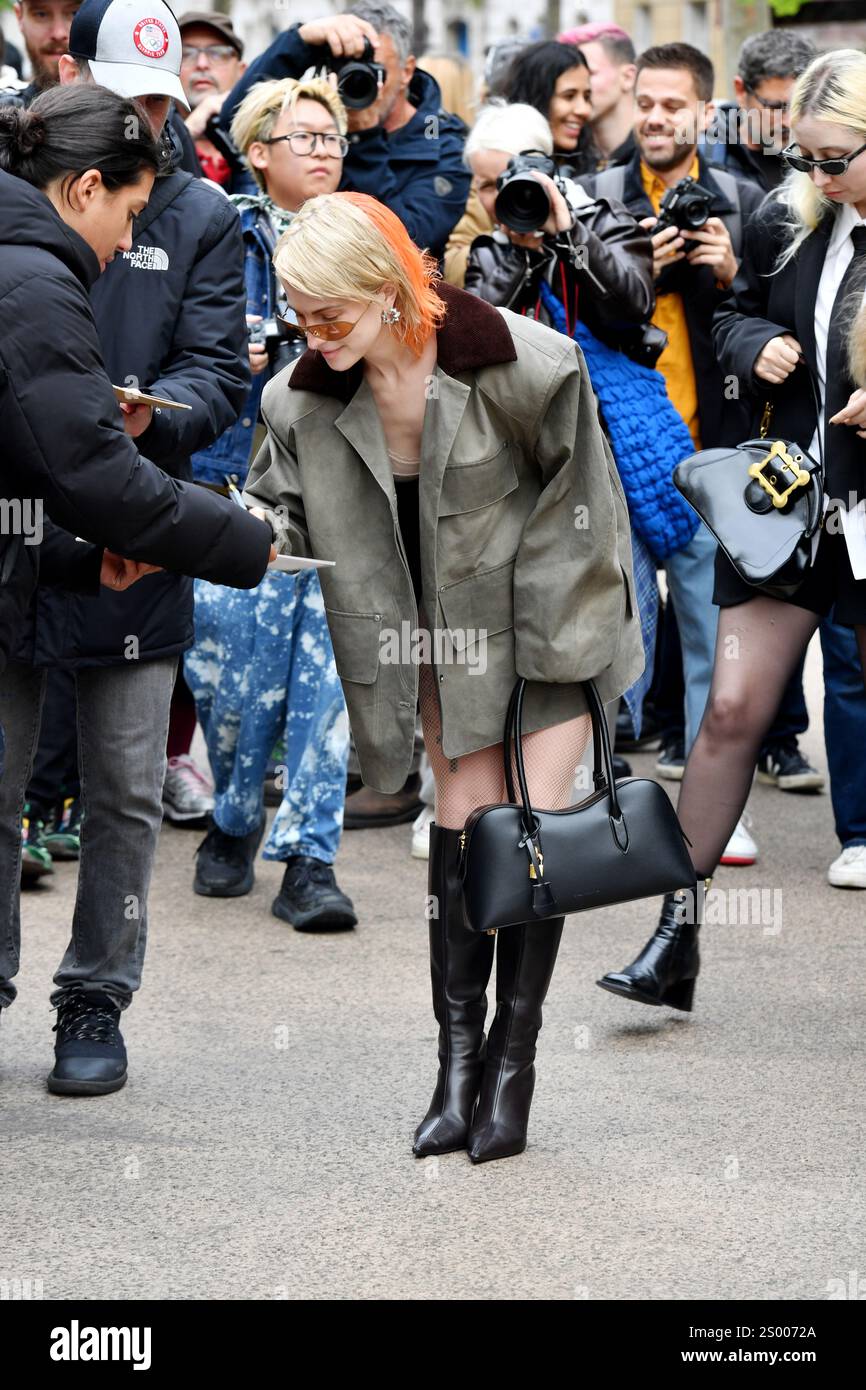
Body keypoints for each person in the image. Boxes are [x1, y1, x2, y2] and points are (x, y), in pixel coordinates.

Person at [243, 191, 644, 1163]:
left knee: (532, 832)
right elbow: (274, 516)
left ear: (389, 293)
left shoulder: (524, 362)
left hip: (545, 627)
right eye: (299, 313)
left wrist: (544, 661)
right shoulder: (298, 397)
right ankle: (455, 1065)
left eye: (330, 312)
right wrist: (221, 534)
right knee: (464, 838)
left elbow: (584, 511)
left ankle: (513, 1066)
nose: (313, 332)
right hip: (425, 641)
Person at [0, 0, 258, 1094]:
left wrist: (155, 413)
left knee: (124, 791)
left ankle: (95, 996)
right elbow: (64, 445)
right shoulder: (34, 255)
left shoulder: (198, 215)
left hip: (141, 534)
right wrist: (244, 540)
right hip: (43, 535)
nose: (149, 117)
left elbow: (219, 366)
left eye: (164, 103)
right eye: (129, 98)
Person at [597, 48, 866, 1009]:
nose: (820, 178)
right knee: (729, 713)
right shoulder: (790, 218)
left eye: (837, 160)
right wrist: (758, 346)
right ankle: (675, 939)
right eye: (809, 159)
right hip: (792, 504)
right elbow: (732, 317)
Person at [582, 42, 768, 866]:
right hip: (619, 450)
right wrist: (622, 276)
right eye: (647, 103)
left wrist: (731, 272)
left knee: (712, 631)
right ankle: (597, 802)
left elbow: (770, 320)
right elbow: (571, 323)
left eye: (673, 106)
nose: (657, 118)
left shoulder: (745, 200)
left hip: (713, 450)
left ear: (704, 112)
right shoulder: (596, 196)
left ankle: (708, 805)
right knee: (618, 632)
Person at [185, 75, 355, 929]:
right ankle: (232, 819)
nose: (326, 149)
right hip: (232, 477)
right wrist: (235, 360)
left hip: (340, 488)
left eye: (335, 138)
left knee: (329, 685)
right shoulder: (218, 228)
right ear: (258, 153)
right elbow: (191, 346)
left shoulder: (367, 236)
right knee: (232, 683)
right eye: (307, 137)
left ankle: (310, 861)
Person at [217, 2, 471, 263]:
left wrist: (364, 139)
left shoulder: (444, 145)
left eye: (376, 70)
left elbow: (408, 245)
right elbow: (238, 122)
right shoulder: (320, 122)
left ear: (406, 71)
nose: (360, 78)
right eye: (348, 67)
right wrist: (300, 42)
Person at [461, 102, 653, 343]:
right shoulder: (488, 252)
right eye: (488, 186)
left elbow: (634, 310)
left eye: (511, 183)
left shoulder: (602, 221)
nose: (502, 197)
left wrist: (570, 235)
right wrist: (522, 256)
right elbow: (474, 340)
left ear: (546, 173)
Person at [704, 29, 817, 193]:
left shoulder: (824, 160)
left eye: (800, 105)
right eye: (775, 107)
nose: (788, 121)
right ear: (741, 91)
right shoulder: (705, 158)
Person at [500, 39, 598, 176]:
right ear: (535, 98)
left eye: (587, 97)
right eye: (569, 96)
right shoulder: (495, 170)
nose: (584, 110)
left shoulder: (596, 177)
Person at [177, 9, 246, 187]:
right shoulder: (144, 139)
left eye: (218, 53)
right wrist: (185, 133)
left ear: (242, 71)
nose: (202, 64)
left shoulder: (269, 139)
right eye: (186, 54)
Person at [558, 22, 637, 168]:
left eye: (589, 73)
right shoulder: (567, 158)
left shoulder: (657, 155)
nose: (577, 86)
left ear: (627, 77)